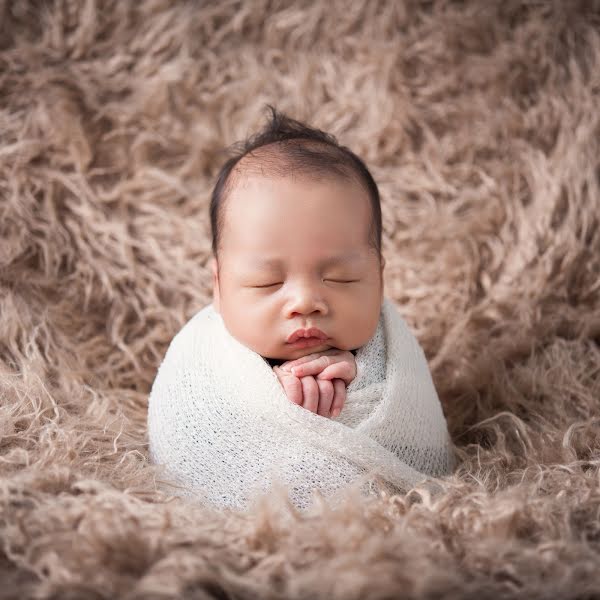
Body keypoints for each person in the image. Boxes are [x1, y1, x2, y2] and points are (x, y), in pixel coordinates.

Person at [209, 106, 385, 420]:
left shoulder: (391, 357)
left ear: (379, 280)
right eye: (268, 282)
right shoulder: (207, 361)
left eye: (340, 277)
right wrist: (267, 395)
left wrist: (363, 377)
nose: (304, 302)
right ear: (218, 288)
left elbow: (417, 435)